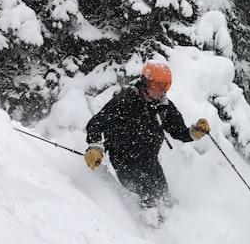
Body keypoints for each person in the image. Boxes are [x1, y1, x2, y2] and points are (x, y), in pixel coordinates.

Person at [84, 61, 210, 209]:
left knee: (164, 197)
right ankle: (143, 226)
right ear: (144, 82)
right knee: (147, 195)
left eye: (164, 87)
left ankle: (172, 223)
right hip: (124, 160)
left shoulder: (163, 106)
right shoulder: (125, 100)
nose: (159, 91)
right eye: (155, 86)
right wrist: (95, 146)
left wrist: (194, 133)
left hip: (150, 161)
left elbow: (179, 132)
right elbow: (97, 123)